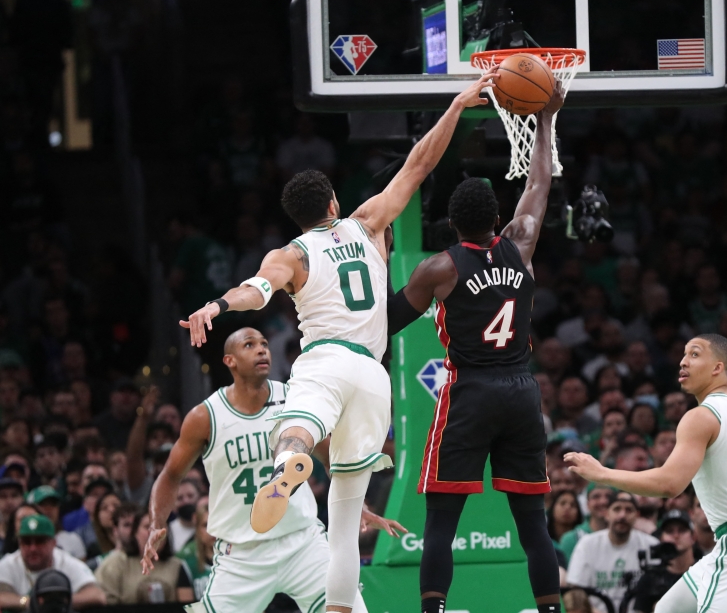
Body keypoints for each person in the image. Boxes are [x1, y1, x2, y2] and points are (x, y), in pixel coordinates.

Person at [179, 72, 494, 613]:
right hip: (373, 374)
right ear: (331, 200)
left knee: (294, 431)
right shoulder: (367, 222)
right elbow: (419, 164)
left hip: (324, 361)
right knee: (344, 527)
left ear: (297, 216)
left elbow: (256, 292)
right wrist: (458, 103)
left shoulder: (290, 254)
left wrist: (216, 305)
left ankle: (290, 461)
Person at [383, 86, 564, 613]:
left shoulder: (438, 268)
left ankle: (434, 609)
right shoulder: (522, 243)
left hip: (471, 391)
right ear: (497, 220)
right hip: (522, 392)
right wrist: (547, 118)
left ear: (453, 224)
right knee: (533, 523)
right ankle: (551, 609)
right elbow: (540, 180)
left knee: (441, 520)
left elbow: (391, 320)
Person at [141, 327, 404, 613]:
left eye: (265, 344)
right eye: (249, 345)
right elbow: (170, 474)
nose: (261, 349)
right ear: (229, 360)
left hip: (302, 541)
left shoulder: (294, 398)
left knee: (352, 609)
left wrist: (356, 504)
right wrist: (157, 523)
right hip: (242, 553)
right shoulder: (206, 416)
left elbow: (330, 455)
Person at [566, 334, 727, 613]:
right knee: (667, 609)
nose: (683, 361)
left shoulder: (701, 416)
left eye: (695, 354)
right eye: (684, 354)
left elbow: (669, 484)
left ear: (717, 368)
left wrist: (602, 473)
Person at [566, 491, 659, 612]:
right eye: (617, 509)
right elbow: (575, 591)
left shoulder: (651, 545)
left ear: (637, 515)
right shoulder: (587, 544)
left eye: (629, 510)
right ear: (606, 513)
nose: (622, 515)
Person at [0, 514, 106, 609]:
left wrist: (56, 603)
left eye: (40, 541)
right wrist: (30, 602)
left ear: (53, 543)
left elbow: (97, 595)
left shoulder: (65, 561)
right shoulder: (10, 563)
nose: (33, 548)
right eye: (26, 542)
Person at [96, 508, 193, 604]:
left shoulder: (177, 565)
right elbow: (104, 604)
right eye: (147, 527)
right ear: (135, 533)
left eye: (161, 527)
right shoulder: (115, 563)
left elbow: (186, 606)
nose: (155, 533)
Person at [631, 510, 702, 613]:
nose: (676, 536)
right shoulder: (650, 578)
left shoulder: (704, 572)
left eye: (682, 530)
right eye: (669, 531)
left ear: (693, 537)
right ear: (661, 538)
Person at [25, 487, 85, 559]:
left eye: (53, 504)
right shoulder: (25, 541)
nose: (49, 509)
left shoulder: (73, 539)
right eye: (43, 504)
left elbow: (82, 568)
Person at [560, 485, 613, 562]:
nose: (603, 501)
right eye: (596, 496)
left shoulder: (627, 536)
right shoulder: (571, 539)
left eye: (608, 496)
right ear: (587, 504)